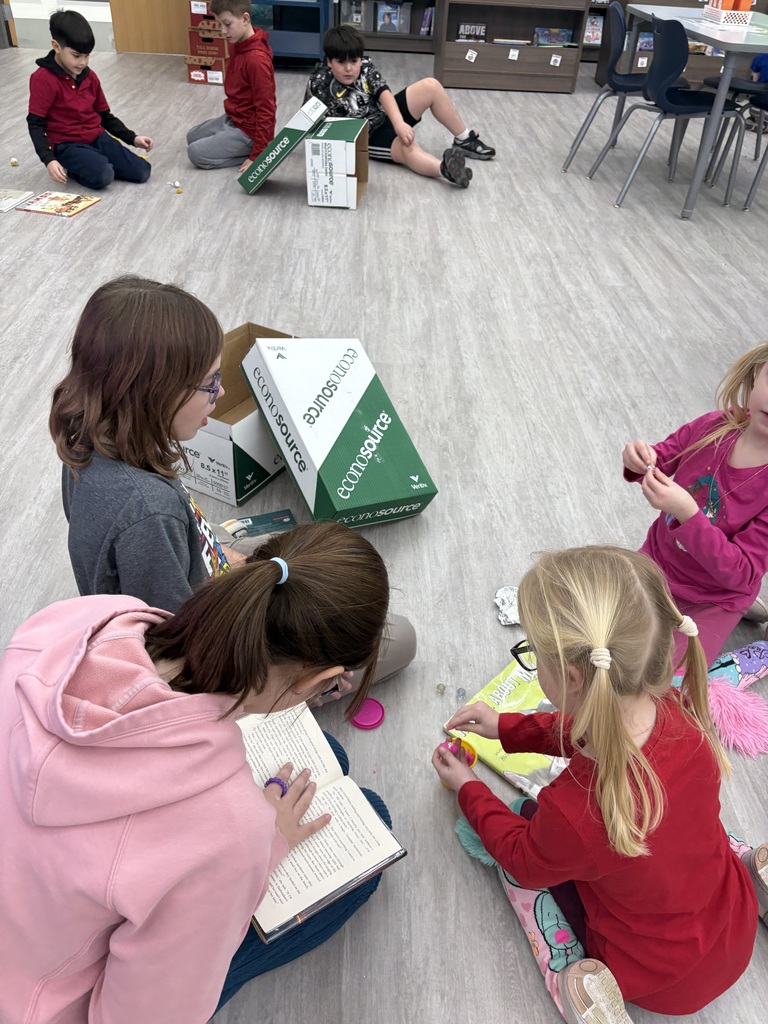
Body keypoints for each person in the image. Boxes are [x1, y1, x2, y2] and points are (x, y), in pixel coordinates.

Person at [0, 522, 395, 1022]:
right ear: (321, 681)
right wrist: (262, 845)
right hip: (38, 1005)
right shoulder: (229, 834)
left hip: (26, 929)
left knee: (328, 758)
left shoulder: (89, 617)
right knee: (372, 825)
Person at [433, 546, 766, 1023]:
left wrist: (469, 786)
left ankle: (593, 1003)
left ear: (570, 677)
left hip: (658, 980)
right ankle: (759, 869)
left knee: (529, 839)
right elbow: (595, 726)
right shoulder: (674, 707)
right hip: (732, 920)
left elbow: (524, 861)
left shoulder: (576, 812)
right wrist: (507, 727)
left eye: (532, 654)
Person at [49, 275, 416, 698]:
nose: (220, 393)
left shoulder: (87, 437)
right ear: (154, 393)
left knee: (299, 558)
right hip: (197, 645)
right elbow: (179, 652)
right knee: (398, 638)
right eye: (209, 383)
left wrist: (216, 557)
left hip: (191, 568)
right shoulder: (148, 514)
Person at [622, 343, 768, 667]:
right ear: (757, 373)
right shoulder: (713, 425)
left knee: (665, 675)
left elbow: (742, 572)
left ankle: (744, 613)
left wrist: (687, 512)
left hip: (716, 596)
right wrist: (639, 459)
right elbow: (660, 457)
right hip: (658, 561)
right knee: (605, 628)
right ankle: (749, 607)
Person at [304, 25, 496, 189]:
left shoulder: (365, 67)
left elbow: (384, 93)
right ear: (329, 61)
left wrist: (398, 123)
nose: (349, 68)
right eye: (341, 62)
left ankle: (464, 139)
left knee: (431, 86)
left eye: (354, 61)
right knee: (408, 147)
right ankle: (445, 169)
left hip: (384, 115)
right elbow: (307, 121)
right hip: (366, 136)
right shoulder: (319, 82)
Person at [27, 11, 152, 191]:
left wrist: (132, 137)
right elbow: (35, 124)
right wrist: (49, 159)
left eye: (87, 55)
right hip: (67, 144)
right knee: (104, 176)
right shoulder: (42, 79)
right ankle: (76, 165)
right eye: (76, 56)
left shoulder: (90, 77)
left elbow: (104, 115)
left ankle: (94, 159)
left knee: (142, 171)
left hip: (96, 137)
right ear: (56, 46)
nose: (83, 62)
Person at [187, 0, 276, 173]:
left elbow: (267, 109)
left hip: (249, 130)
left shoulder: (256, 60)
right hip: (235, 117)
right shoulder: (238, 42)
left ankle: (264, 152)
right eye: (219, 24)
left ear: (245, 18)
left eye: (227, 24)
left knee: (195, 153)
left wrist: (256, 156)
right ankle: (229, 137)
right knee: (191, 137)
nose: (222, 31)